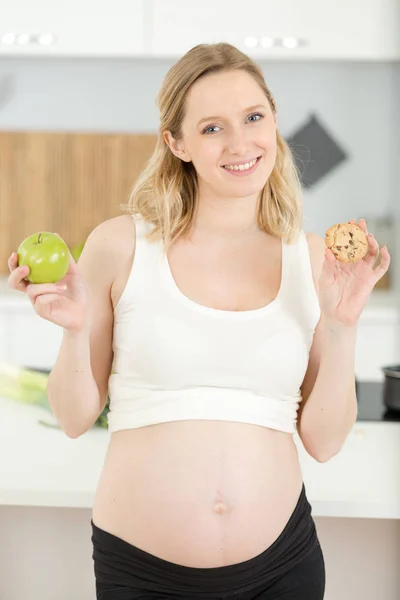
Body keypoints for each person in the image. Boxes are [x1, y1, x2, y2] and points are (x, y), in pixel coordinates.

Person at [7, 43, 390, 600]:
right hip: (142, 573)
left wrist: (342, 324)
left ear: (274, 121)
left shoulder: (311, 259)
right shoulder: (120, 244)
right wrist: (72, 329)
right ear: (176, 143)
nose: (240, 143)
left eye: (253, 117)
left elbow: (325, 442)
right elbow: (72, 417)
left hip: (283, 570)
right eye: (212, 128)